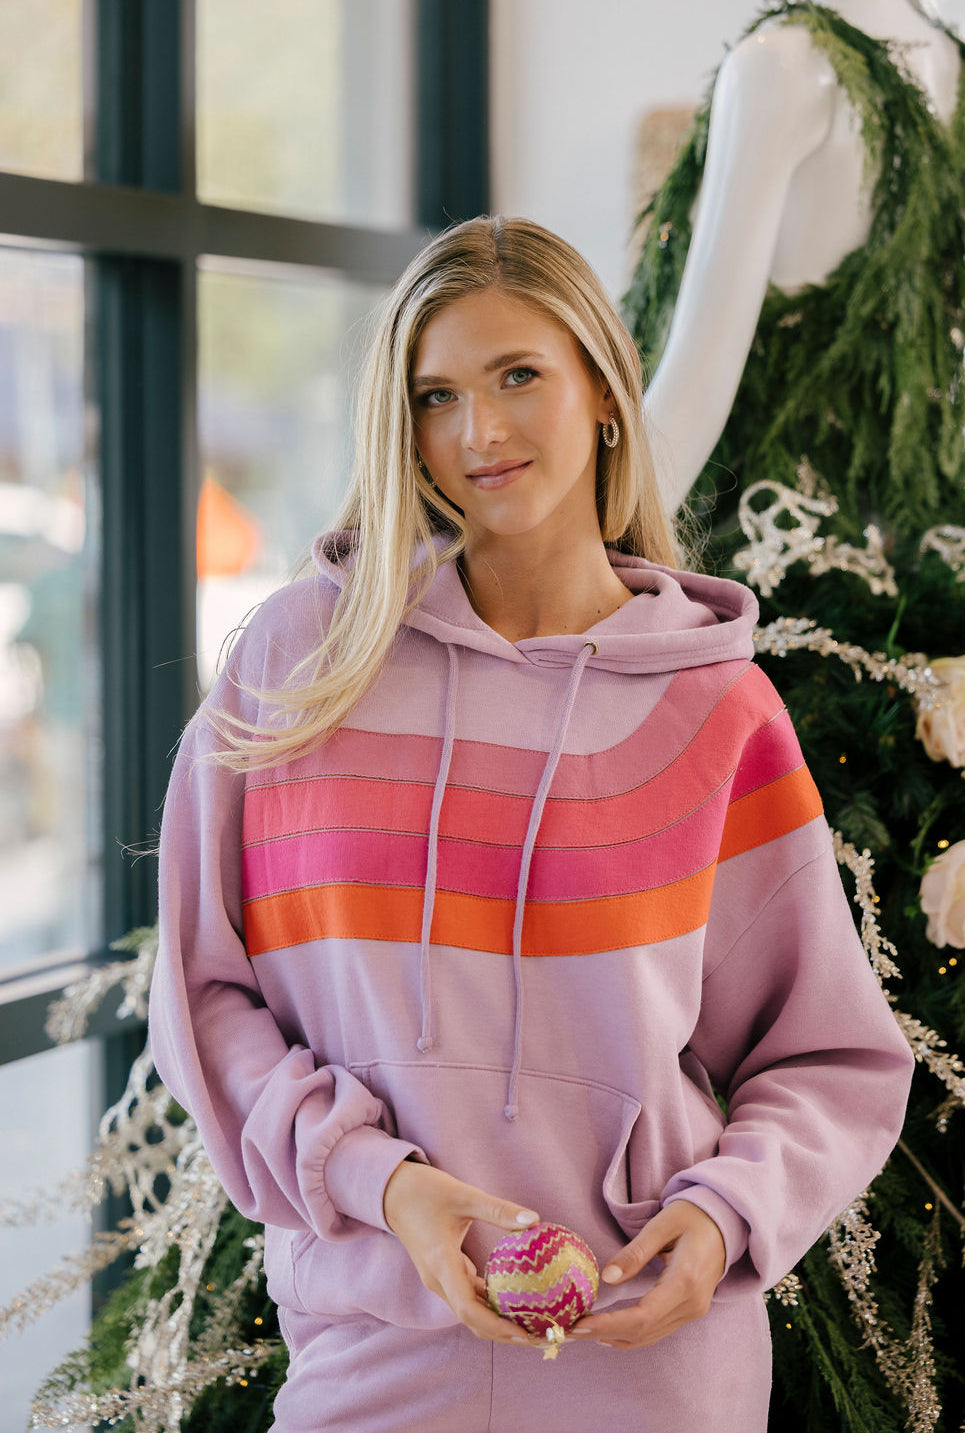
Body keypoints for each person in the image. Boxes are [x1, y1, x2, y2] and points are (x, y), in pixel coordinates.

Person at [149, 215, 915, 1433]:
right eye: (435, 394)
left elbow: (828, 1056)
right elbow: (204, 994)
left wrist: (721, 1217)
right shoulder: (304, 666)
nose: (479, 433)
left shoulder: (713, 708)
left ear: (604, 393)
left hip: (655, 1365)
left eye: (519, 376)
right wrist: (384, 1184)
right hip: (370, 1357)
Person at [630, 0, 965, 539]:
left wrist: (594, 549)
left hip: (763, 512)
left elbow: (699, 379)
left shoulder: (779, 64)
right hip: (911, 521)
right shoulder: (951, 57)